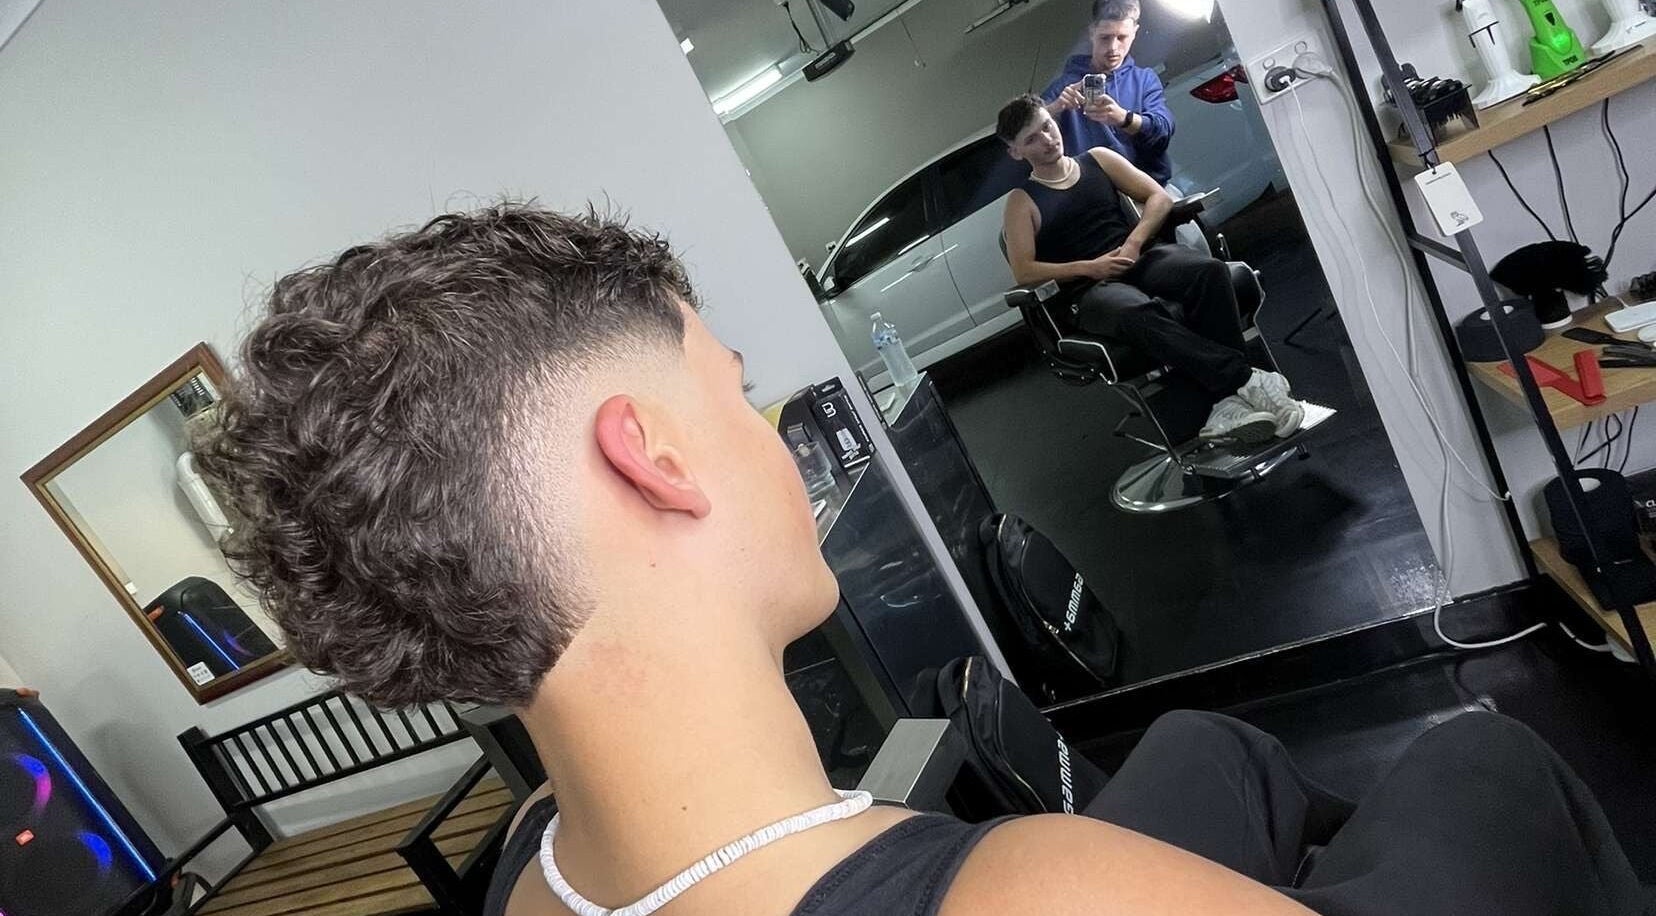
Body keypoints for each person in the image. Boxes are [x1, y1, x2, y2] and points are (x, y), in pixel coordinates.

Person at [196, 203, 1648, 916]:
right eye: (740, 392)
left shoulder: (536, 860)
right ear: (656, 458)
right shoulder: (1041, 893)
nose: (776, 435)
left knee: (1210, 745)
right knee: (1484, 756)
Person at [999, 93, 1299, 443]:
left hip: (1138, 256)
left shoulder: (1098, 159)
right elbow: (1024, 271)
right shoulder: (1021, 201)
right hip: (1089, 289)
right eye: (1031, 139)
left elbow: (1158, 197)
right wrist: (1090, 267)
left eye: (1047, 126)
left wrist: (1134, 242)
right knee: (1135, 312)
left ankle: (1226, 404)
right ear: (1016, 152)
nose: (1047, 139)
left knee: (1210, 272)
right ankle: (1248, 380)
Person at [1042, 0, 1171, 187]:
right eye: (1105, 38)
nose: (1113, 47)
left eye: (1122, 37)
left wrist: (1124, 119)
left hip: (1151, 187)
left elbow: (1163, 131)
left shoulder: (1145, 79)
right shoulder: (1063, 88)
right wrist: (1055, 108)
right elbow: (1024, 132)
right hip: (1096, 195)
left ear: (1135, 32)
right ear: (1092, 32)